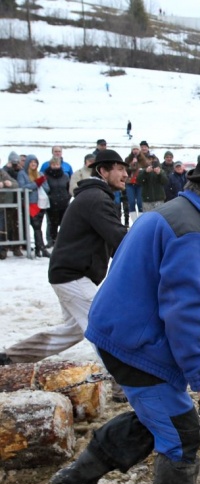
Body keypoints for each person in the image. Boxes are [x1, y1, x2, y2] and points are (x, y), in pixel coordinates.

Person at [50, 152, 200, 484]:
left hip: (123, 331)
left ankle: (78, 478)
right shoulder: (192, 232)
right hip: (134, 343)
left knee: (158, 417)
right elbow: (182, 311)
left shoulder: (173, 212)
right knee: (182, 433)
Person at [0, 149, 128, 365]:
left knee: (73, 331)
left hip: (69, 273)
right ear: (103, 171)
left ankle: (11, 357)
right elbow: (120, 237)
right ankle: (122, 386)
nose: (126, 174)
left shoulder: (96, 196)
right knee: (102, 327)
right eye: (120, 169)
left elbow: (115, 241)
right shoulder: (97, 199)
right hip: (72, 276)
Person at [17, 154, 50, 257]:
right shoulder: (22, 174)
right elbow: (22, 187)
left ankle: (38, 249)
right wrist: (36, 184)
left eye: (35, 163)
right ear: (27, 163)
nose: (33, 164)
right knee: (36, 226)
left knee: (38, 226)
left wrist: (41, 182)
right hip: (30, 203)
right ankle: (42, 248)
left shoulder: (40, 173)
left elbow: (47, 188)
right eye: (31, 162)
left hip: (41, 203)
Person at [43, 157, 71, 247]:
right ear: (50, 165)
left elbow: (69, 188)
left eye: (57, 164)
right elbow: (45, 189)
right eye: (53, 164)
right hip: (51, 204)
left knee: (64, 223)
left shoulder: (65, 176)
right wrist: (50, 198)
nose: (55, 166)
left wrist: (67, 197)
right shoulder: (46, 176)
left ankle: (63, 241)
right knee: (52, 224)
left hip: (64, 203)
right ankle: (52, 241)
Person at [0, 166, 20, 261]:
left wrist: (9, 183)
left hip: (2, 207)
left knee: (2, 228)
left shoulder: (2, 173)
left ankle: (2, 250)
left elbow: (16, 184)